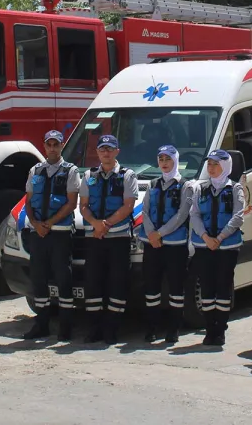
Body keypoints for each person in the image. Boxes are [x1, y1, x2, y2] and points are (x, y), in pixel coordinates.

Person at [79, 134, 138, 345]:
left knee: (117, 284)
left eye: (110, 149)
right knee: (93, 283)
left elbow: (128, 205)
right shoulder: (88, 176)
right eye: (102, 149)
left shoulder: (127, 175)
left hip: (118, 238)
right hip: (94, 238)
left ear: (117, 152)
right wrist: (96, 224)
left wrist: (106, 224)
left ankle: (112, 330)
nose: (106, 152)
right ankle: (94, 329)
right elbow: (83, 205)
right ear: (97, 152)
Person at [23, 130, 80, 341]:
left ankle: (66, 326)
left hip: (60, 233)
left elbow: (71, 202)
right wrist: (37, 224)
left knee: (63, 279)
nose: (53, 148)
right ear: (44, 146)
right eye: (49, 144)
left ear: (62, 146)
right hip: (38, 233)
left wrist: (49, 223)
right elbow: (28, 201)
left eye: (56, 144)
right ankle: (41, 324)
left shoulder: (70, 171)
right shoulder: (35, 170)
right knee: (38, 279)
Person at [189, 149, 246, 346]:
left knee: (223, 287)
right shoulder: (200, 189)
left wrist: (219, 238)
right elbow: (194, 215)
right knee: (207, 288)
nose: (211, 168)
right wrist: (205, 237)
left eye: (216, 164)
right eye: (209, 164)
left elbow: (238, 216)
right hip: (204, 247)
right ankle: (209, 329)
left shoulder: (235, 189)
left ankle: (220, 330)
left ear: (226, 166)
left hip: (227, 246)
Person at [139, 144, 194, 344]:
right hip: (152, 244)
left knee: (175, 288)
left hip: (175, 245)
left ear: (175, 161)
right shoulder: (152, 184)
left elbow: (181, 215)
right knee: (151, 287)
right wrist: (152, 234)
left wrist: (160, 233)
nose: (164, 163)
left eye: (168, 159)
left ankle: (173, 329)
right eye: (161, 159)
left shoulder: (185, 185)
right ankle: (151, 328)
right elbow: (145, 211)